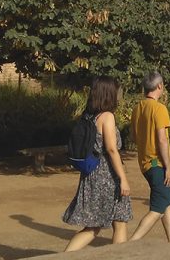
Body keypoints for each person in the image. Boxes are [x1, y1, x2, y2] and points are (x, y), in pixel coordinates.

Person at [62, 76, 133, 251]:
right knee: (111, 222)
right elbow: (111, 149)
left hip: (92, 174)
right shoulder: (107, 116)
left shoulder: (89, 115)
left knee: (109, 222)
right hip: (107, 176)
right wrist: (123, 178)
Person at [129, 72, 170, 244]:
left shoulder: (137, 108)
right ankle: (130, 243)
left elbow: (133, 137)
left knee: (167, 202)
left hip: (145, 163)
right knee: (157, 209)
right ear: (160, 86)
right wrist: (169, 168)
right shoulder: (159, 108)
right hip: (157, 164)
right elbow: (162, 139)